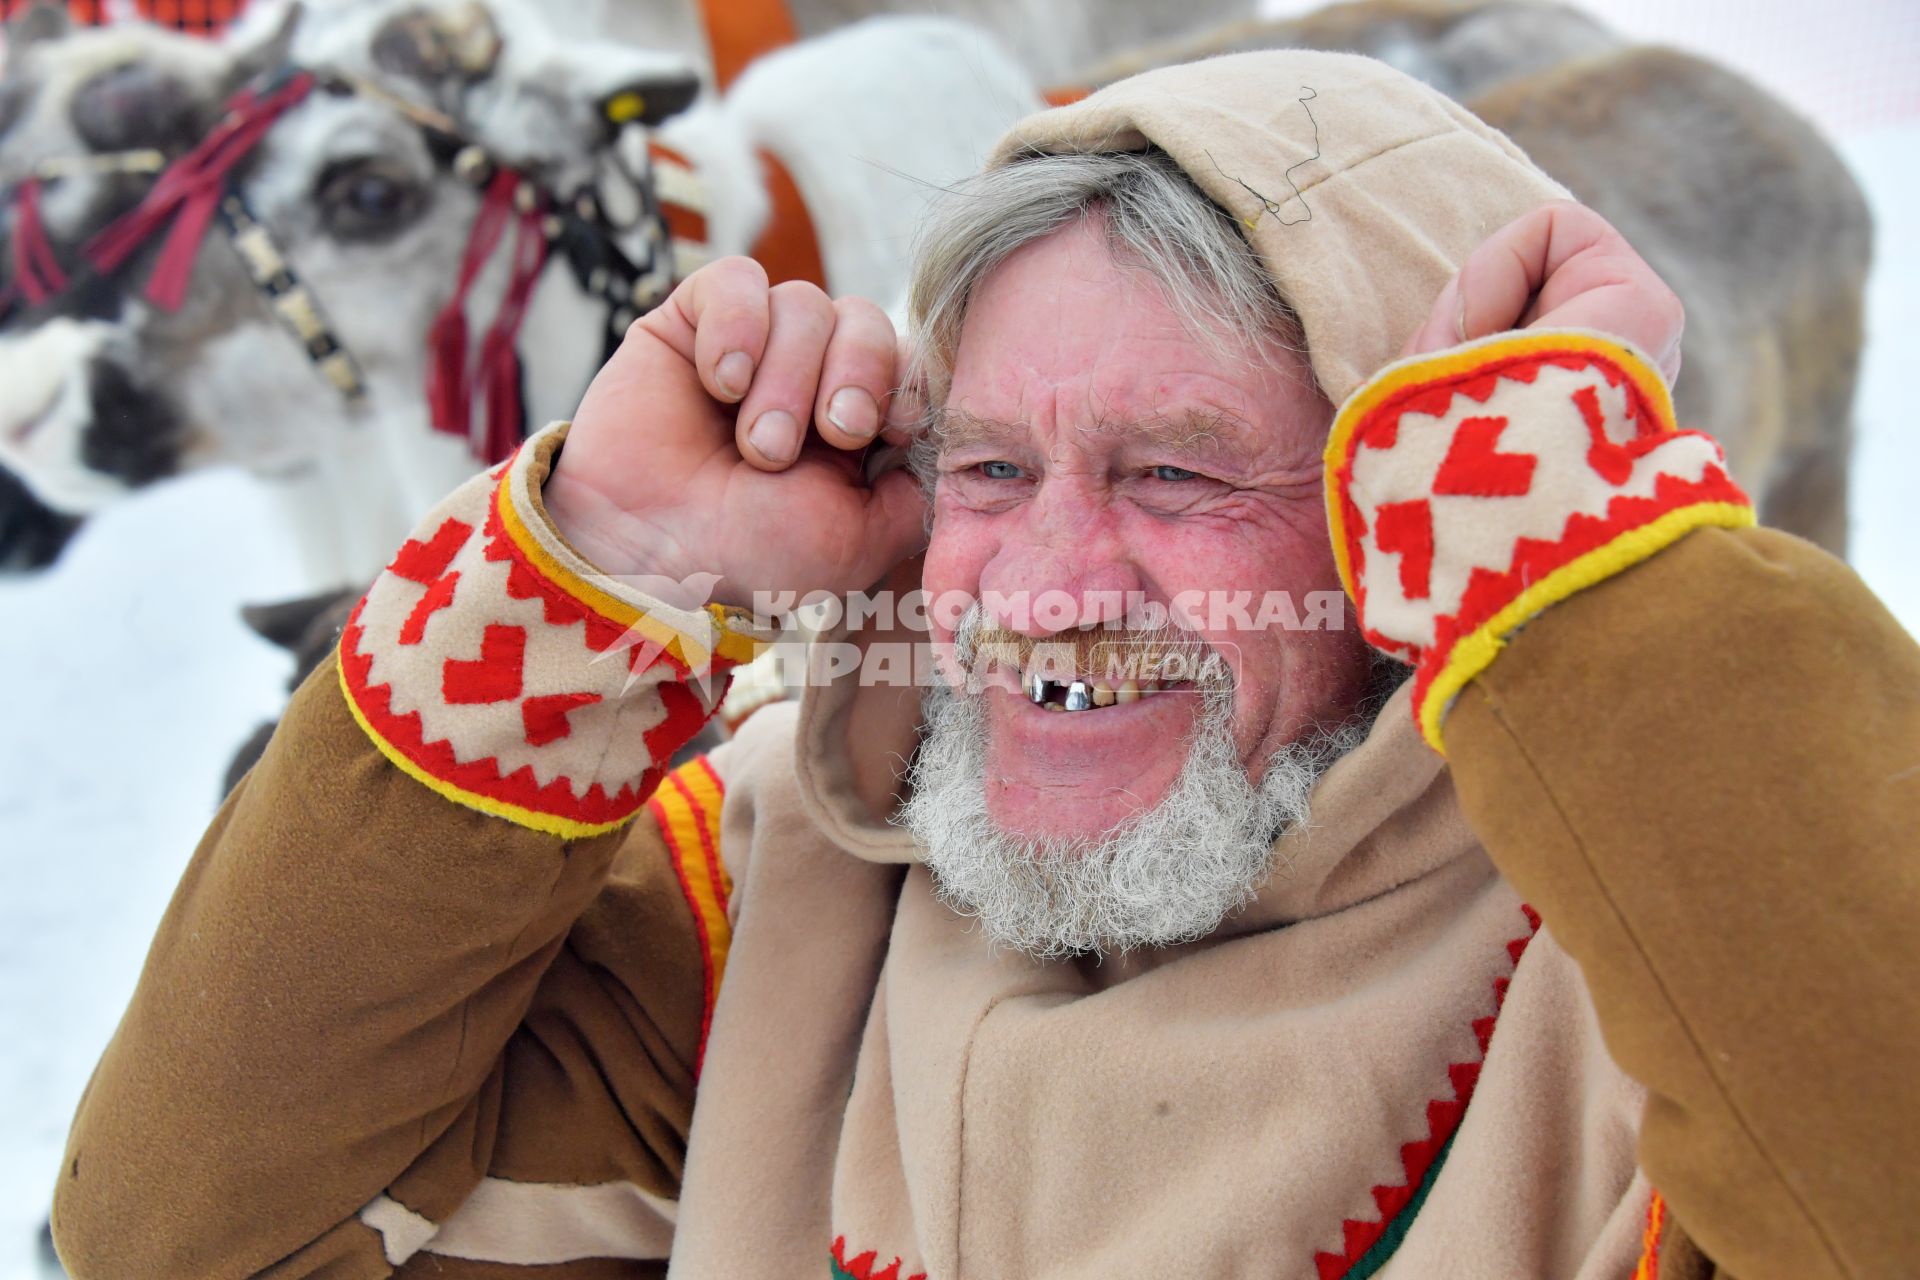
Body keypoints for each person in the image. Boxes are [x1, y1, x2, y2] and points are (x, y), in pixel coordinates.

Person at [49, 51, 1914, 1280]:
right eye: (989, 472)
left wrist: (1606, 615)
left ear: (1427, 511)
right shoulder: (785, 898)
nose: (1034, 591)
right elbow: (180, 1239)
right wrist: (600, 567)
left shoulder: (1662, 967)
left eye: (1179, 473)